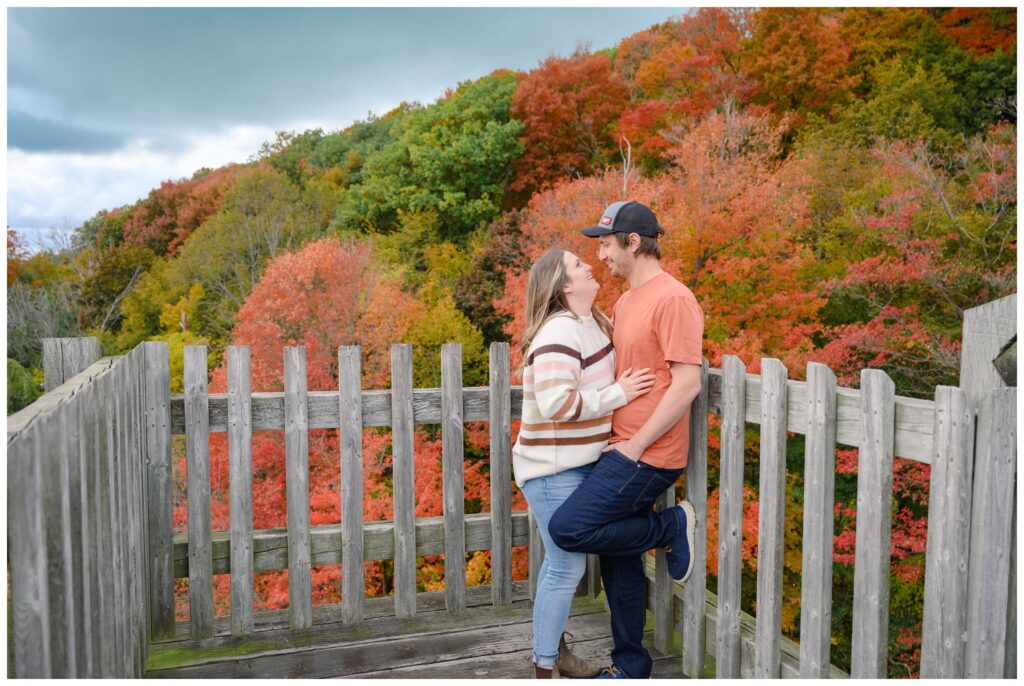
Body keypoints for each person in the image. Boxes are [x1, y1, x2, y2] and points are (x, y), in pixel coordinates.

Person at [547, 201, 704, 680]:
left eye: (606, 245)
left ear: (633, 242)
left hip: (648, 454)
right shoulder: (625, 301)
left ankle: (670, 526)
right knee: (619, 559)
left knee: (567, 528)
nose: (601, 257)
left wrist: (636, 447)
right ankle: (630, 668)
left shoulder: (674, 298)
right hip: (622, 444)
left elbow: (686, 383)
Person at [512, 248, 658, 679]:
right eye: (578, 265)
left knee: (565, 561)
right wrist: (619, 395)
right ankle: (546, 667)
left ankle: (551, 654)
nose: (590, 266)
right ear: (563, 286)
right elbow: (557, 404)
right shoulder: (559, 332)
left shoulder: (592, 321)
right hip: (551, 469)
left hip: (583, 463)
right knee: (566, 563)